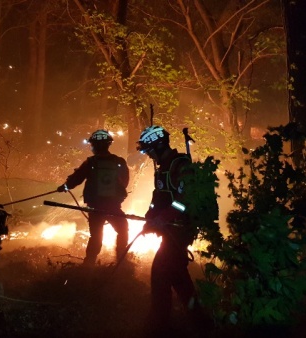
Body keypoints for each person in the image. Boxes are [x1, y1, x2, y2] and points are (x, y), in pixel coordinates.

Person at [137, 125, 209, 337]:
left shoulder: (181, 165)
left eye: (149, 149)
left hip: (181, 229)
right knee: (178, 277)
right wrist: (150, 218)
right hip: (168, 229)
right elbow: (158, 197)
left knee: (160, 272)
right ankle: (201, 322)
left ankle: (160, 326)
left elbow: (184, 201)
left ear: (159, 145)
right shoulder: (162, 167)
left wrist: (163, 218)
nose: (148, 154)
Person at [57, 129, 129, 266]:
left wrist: (65, 187)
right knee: (123, 230)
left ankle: (88, 265)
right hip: (113, 206)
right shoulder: (119, 161)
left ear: (94, 145)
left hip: (95, 207)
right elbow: (124, 182)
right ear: (108, 144)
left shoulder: (90, 162)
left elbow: (76, 179)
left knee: (96, 236)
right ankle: (122, 262)